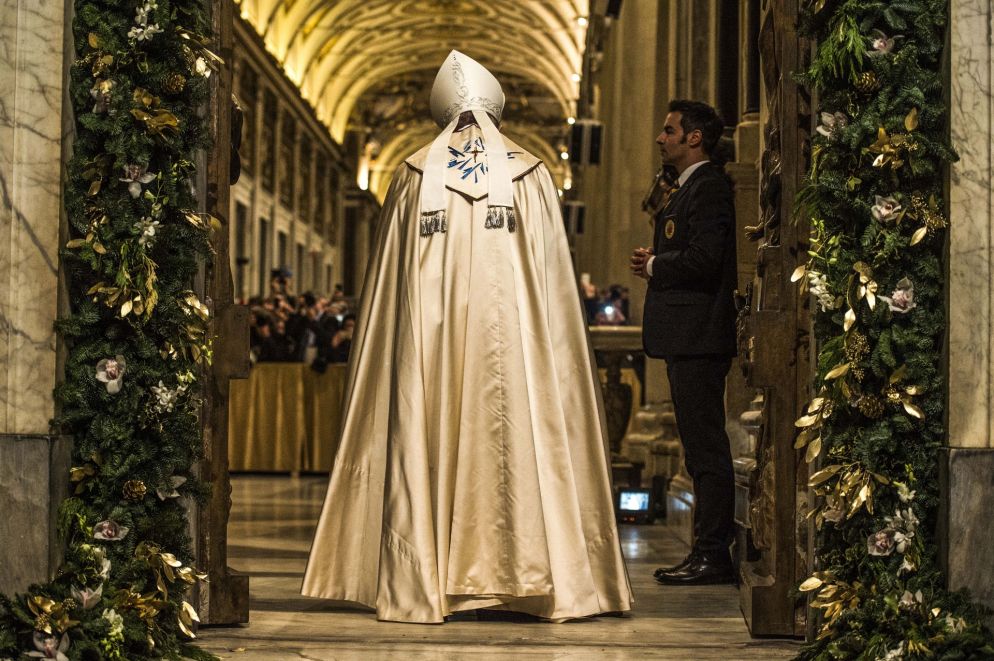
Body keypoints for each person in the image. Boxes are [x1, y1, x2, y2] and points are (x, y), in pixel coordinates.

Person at [302, 50, 633, 623]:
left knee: (419, 416)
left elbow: (387, 298)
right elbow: (551, 291)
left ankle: (424, 576)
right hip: (516, 353)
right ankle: (535, 574)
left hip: (427, 354)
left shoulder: (410, 175)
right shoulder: (531, 175)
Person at [630, 100, 738, 586]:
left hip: (699, 336)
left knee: (706, 450)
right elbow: (691, 250)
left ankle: (713, 554)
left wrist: (656, 266)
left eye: (669, 130)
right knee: (698, 450)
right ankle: (707, 551)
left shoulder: (710, 187)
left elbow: (706, 259)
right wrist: (662, 255)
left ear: (694, 138)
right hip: (686, 337)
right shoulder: (687, 190)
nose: (660, 138)